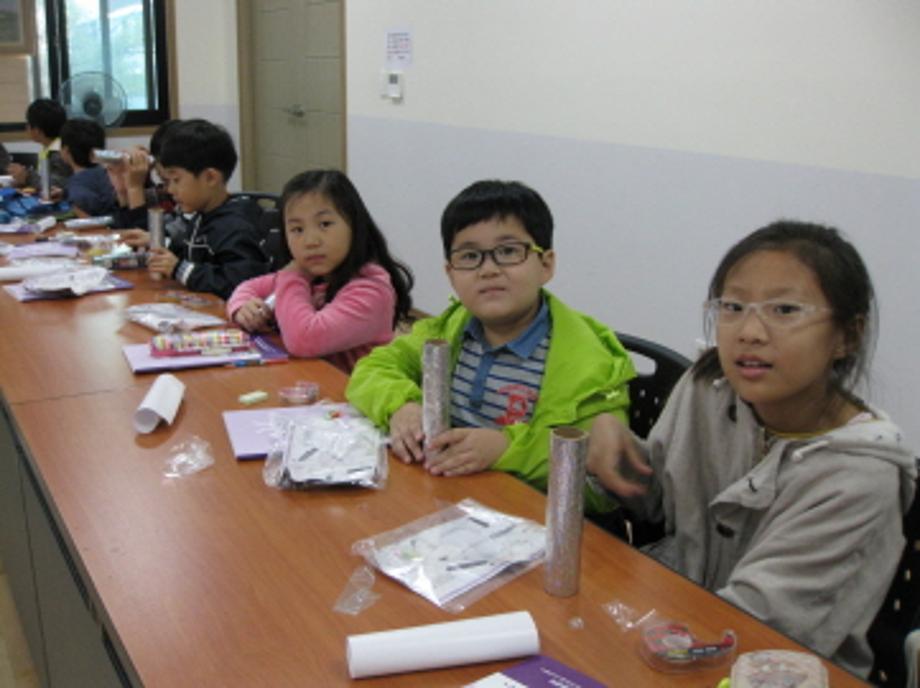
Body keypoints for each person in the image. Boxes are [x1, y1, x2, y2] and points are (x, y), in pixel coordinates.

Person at [586, 220, 917, 677]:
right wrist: (611, 448)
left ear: (848, 335)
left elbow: (756, 627)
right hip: (672, 620)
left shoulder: (859, 476)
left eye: (784, 310)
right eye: (734, 307)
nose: (749, 331)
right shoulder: (710, 388)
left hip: (771, 667)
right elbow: (659, 501)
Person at [346, 179, 635, 513]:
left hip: (533, 518)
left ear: (546, 265)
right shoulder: (450, 329)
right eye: (470, 256)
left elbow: (600, 480)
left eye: (508, 252)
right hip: (447, 500)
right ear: (451, 274)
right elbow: (373, 368)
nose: (488, 270)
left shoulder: (589, 365)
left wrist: (506, 449)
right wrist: (401, 406)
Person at [226, 169, 414, 372]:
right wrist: (242, 308)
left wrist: (292, 277)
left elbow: (304, 339)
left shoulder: (371, 290)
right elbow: (248, 287)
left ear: (355, 225)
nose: (311, 241)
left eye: (325, 224)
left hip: (350, 389)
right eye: (297, 229)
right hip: (306, 380)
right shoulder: (314, 274)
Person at [147, 119, 267, 299]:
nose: (170, 190)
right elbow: (189, 252)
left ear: (210, 178)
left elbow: (239, 283)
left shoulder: (235, 226)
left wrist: (179, 269)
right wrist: (163, 252)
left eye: (176, 180)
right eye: (168, 181)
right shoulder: (202, 215)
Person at [9, 98, 72, 195]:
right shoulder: (49, 148)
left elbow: (57, 185)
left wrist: (27, 177)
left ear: (37, 130)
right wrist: (23, 180)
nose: (26, 127)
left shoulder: (61, 153)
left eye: (28, 123)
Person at [58, 119, 116, 217]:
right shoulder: (109, 174)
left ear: (66, 151)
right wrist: (64, 193)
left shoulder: (77, 191)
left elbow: (90, 221)